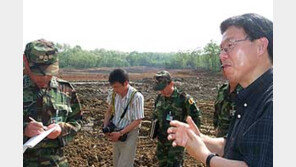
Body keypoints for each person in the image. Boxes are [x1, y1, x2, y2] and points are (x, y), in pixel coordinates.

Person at [167, 13, 273, 167]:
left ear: (260, 46)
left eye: (229, 46)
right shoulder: (248, 97)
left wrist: (206, 157)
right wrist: (199, 138)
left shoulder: (272, 102)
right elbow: (232, 146)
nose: (222, 56)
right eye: (222, 49)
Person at [23, 39, 82, 166]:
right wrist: (24, 129)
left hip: (56, 162)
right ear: (25, 62)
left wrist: (61, 129)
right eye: (38, 72)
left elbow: (76, 121)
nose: (44, 77)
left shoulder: (66, 90)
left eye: (49, 71)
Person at [151, 70, 201, 167]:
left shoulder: (183, 99)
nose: (161, 91)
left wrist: (191, 135)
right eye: (159, 89)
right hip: (162, 141)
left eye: (163, 88)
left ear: (171, 84)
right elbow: (155, 116)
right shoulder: (159, 98)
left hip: (176, 142)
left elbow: (196, 117)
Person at [103, 69, 144, 167]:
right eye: (113, 87)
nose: (115, 89)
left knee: (125, 164)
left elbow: (138, 120)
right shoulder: (113, 94)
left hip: (129, 133)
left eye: (117, 87)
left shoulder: (137, 97)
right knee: (116, 162)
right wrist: (105, 127)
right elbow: (109, 112)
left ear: (125, 83)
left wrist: (121, 133)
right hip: (116, 132)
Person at [213, 71, 242, 137]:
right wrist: (216, 127)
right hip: (220, 134)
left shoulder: (245, 91)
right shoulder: (222, 90)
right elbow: (217, 110)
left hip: (236, 136)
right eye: (224, 68)